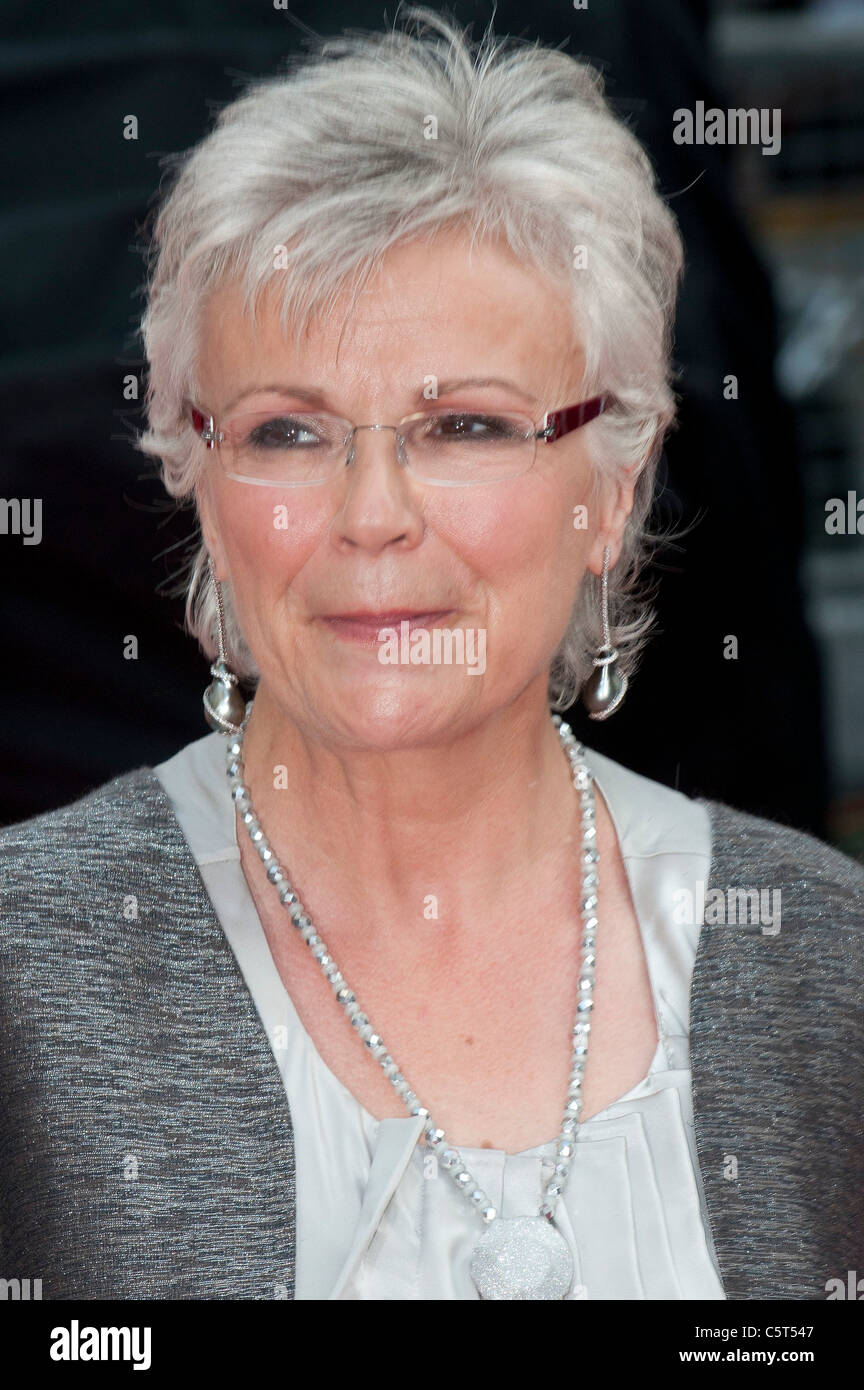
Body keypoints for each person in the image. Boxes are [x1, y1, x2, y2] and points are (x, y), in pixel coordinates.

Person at [0, 7, 860, 1301]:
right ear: (196, 474)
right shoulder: (28, 967)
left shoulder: (817, 956)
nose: (374, 512)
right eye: (289, 431)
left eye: (467, 423)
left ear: (613, 483)